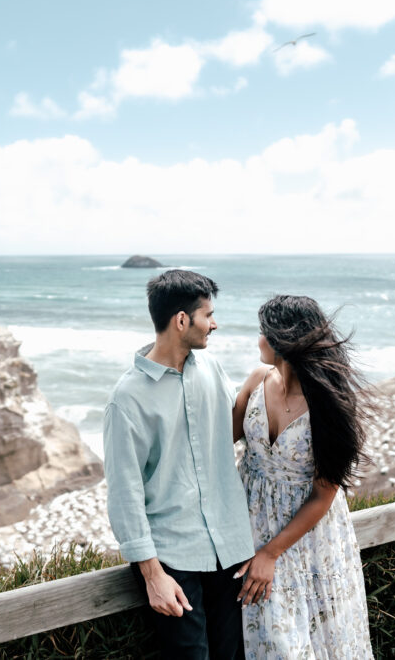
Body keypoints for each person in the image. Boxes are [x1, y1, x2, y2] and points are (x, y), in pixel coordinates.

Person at [103, 269, 255, 659]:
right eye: (209, 315)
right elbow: (124, 493)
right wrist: (153, 575)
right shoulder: (127, 398)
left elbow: (229, 432)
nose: (214, 324)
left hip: (230, 550)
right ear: (182, 320)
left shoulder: (213, 369)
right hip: (173, 557)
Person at [232, 295, 373, 658]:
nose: (258, 341)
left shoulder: (328, 401)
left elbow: (324, 496)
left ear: (283, 340)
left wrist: (271, 553)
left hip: (306, 539)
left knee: (301, 644)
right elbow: (219, 440)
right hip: (250, 524)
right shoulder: (257, 380)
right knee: (266, 638)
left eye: (263, 333)